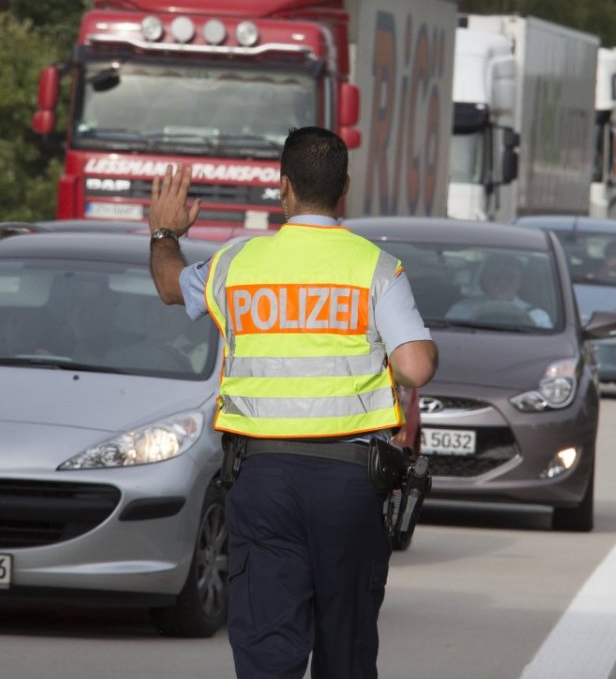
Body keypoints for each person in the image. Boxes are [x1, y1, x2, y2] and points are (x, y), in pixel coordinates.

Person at [148, 127, 438, 679]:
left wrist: (165, 230)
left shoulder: (237, 264)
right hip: (348, 488)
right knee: (346, 651)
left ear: (283, 189)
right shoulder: (374, 267)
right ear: (344, 189)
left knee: (267, 649)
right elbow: (415, 367)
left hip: (263, 480)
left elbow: (168, 284)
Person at [445, 253, 552, 328]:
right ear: (484, 282)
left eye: (509, 278)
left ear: (520, 282)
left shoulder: (538, 317)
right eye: (495, 278)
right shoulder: (461, 310)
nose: (502, 284)